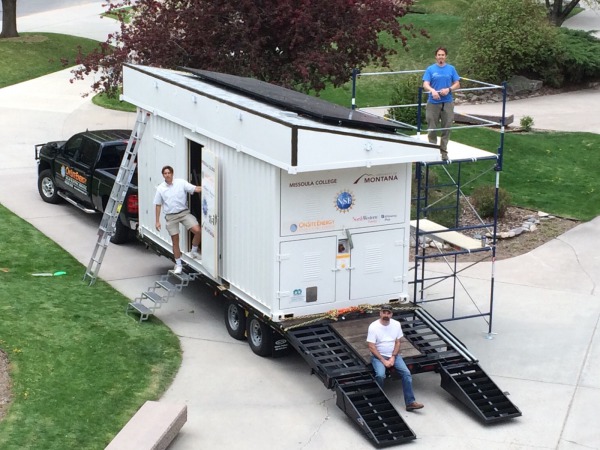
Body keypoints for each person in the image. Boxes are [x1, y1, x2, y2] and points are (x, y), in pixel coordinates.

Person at [367, 305, 424, 411]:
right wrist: (383, 360)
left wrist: (393, 357)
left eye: (388, 313)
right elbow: (371, 346)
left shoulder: (396, 324)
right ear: (380, 313)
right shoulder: (373, 326)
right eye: (384, 312)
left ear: (391, 314)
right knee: (380, 375)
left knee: (406, 373)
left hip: (393, 355)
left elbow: (398, 342)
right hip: (378, 356)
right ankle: (377, 399)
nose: (386, 315)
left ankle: (410, 402)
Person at [154, 165, 202, 274]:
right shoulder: (161, 188)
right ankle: (178, 265)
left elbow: (195, 189)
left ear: (172, 173)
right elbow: (157, 205)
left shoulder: (181, 183)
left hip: (184, 213)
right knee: (175, 241)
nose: (167, 175)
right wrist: (157, 221)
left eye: (168, 173)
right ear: (163, 175)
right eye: (165, 173)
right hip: (171, 217)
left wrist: (209, 187)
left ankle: (194, 251)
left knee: (198, 230)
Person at [422, 47, 461, 161]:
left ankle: (444, 152)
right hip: (433, 103)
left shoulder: (451, 69)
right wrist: (432, 91)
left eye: (443, 55)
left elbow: (457, 83)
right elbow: (425, 84)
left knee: (446, 127)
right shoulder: (430, 69)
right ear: (436, 56)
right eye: (439, 55)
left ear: (446, 56)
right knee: (432, 127)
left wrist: (449, 89)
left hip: (447, 102)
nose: (441, 57)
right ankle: (433, 149)